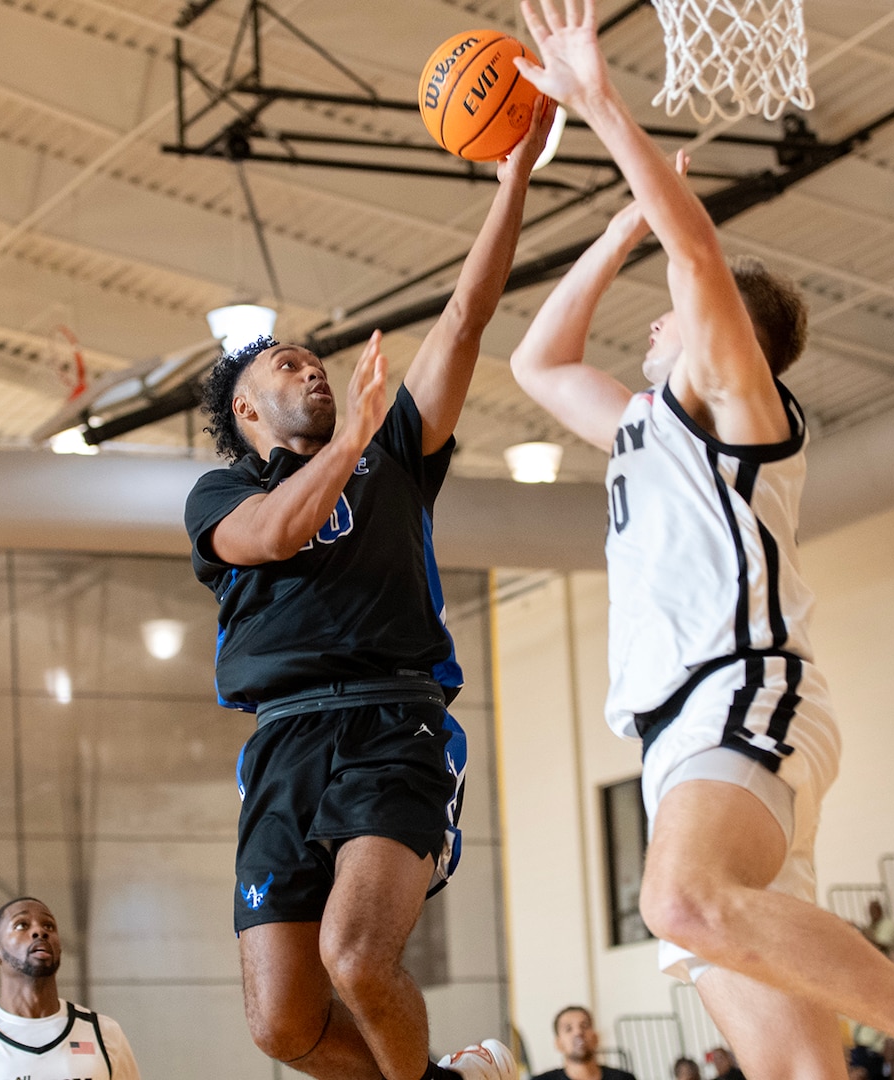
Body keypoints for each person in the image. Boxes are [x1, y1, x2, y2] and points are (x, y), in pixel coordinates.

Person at [505, 5, 894, 1080]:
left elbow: (698, 253)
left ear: (727, 338)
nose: (657, 316)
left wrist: (606, 110)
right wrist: (620, 225)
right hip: (682, 739)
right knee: (797, 1075)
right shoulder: (645, 423)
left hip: (743, 695)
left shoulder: (738, 404)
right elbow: (537, 363)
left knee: (673, 897)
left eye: (674, 306)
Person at [183, 105, 555, 1080]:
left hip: (394, 720)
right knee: (281, 1025)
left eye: (317, 360)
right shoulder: (224, 493)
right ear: (247, 409)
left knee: (356, 957)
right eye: (285, 365)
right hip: (280, 744)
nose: (312, 368)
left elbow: (467, 317)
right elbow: (275, 533)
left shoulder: (392, 452)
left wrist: (513, 177)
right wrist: (346, 437)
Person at [0, 897, 141, 1080]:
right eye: (22, 925)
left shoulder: (104, 1033)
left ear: (59, 947)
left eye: (49, 926)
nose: (40, 931)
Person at [531, 1006, 637, 1080]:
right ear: (558, 1044)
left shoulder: (623, 1078)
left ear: (596, 1038)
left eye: (584, 1026)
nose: (578, 1032)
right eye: (568, 1029)